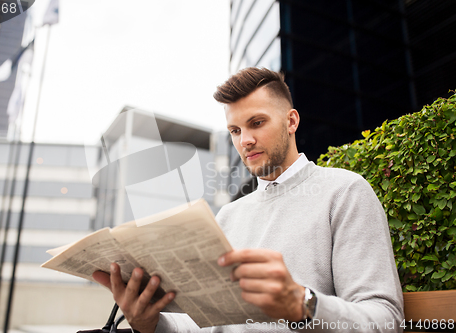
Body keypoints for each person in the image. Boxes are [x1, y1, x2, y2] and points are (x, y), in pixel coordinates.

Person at [93, 67, 404, 332]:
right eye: (234, 130)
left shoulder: (345, 192)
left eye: (257, 123)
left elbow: (386, 320)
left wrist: (304, 304)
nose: (245, 140)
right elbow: (208, 324)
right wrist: (150, 323)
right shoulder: (228, 216)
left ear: (291, 121)